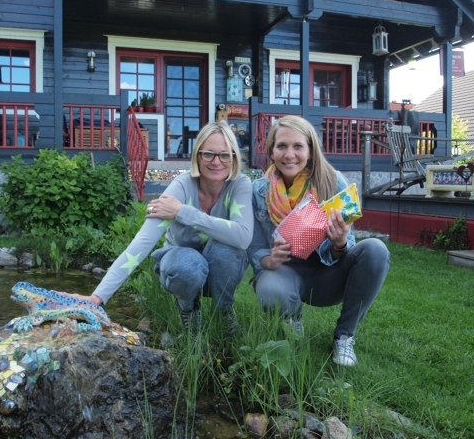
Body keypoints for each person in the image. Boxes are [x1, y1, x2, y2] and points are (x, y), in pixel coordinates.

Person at [66, 121, 253, 334]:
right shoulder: (181, 186)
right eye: (208, 154)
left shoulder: (240, 185)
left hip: (219, 270)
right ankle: (189, 310)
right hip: (183, 269)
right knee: (187, 264)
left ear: (234, 157)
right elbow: (141, 244)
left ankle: (224, 313)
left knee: (227, 252)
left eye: (225, 155)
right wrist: (97, 297)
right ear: (197, 156)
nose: (216, 162)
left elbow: (243, 237)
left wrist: (183, 212)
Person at [247, 115, 390, 366]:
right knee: (269, 289)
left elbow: (351, 248)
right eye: (282, 146)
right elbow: (255, 246)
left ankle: (344, 337)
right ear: (271, 151)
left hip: (327, 276)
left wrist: (340, 244)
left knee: (376, 250)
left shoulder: (333, 182)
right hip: (285, 273)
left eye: (298, 146)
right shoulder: (259, 191)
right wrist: (268, 259)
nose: (289, 154)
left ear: (311, 150)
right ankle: (292, 318)